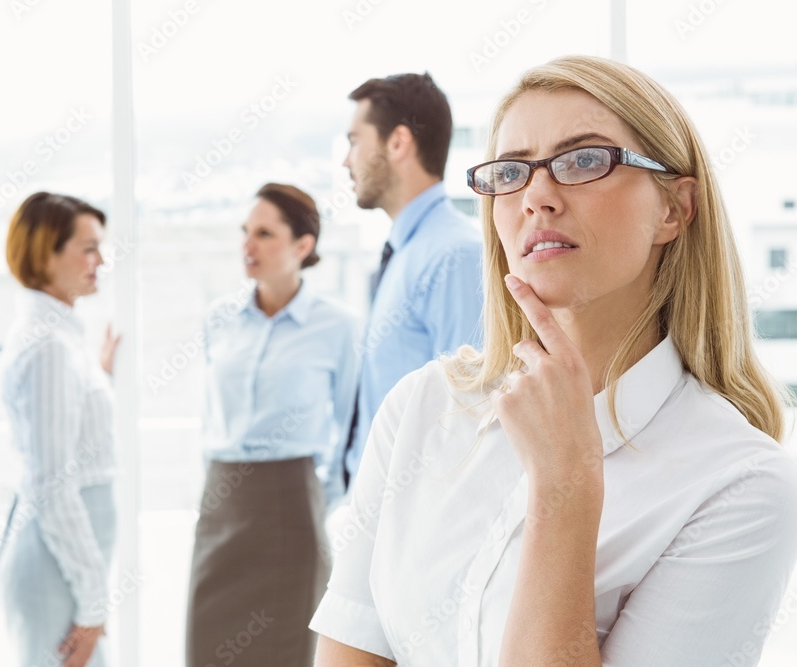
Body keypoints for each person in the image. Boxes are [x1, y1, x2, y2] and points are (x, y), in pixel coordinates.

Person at [311, 55, 797, 666]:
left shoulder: (740, 484)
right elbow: (353, 651)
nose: (537, 196)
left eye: (585, 161)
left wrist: (564, 487)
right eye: (511, 172)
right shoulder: (420, 406)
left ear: (674, 209)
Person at [186, 183, 358, 667]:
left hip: (292, 507)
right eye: (245, 232)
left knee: (289, 648)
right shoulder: (218, 319)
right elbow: (210, 418)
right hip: (221, 502)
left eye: (264, 233)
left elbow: (349, 428)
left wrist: (315, 498)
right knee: (209, 647)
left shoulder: (338, 327)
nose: (248, 245)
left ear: (303, 246)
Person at [0, 192, 122, 667]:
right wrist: (92, 603)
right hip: (55, 577)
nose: (100, 260)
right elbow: (50, 482)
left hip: (60, 571)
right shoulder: (48, 346)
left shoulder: (62, 337)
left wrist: (101, 378)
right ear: (47, 252)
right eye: (88, 248)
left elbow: (68, 434)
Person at [341, 72, 483, 489]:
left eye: (354, 141)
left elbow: (471, 418)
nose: (346, 160)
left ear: (398, 143)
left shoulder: (455, 256)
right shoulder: (407, 252)